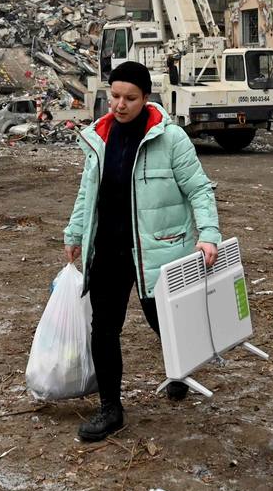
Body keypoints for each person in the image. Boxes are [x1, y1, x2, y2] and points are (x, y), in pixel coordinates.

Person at [62, 61, 221, 442]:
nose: (120, 104)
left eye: (129, 98)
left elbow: (199, 189)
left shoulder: (170, 139)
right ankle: (110, 408)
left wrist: (209, 233)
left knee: (162, 320)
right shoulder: (99, 137)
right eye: (114, 96)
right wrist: (75, 232)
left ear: (146, 98)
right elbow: (89, 193)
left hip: (156, 252)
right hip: (108, 250)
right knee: (103, 328)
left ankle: (179, 370)